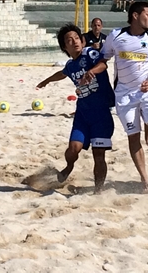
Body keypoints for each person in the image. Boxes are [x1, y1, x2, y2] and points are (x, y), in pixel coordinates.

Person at [36, 24, 115, 193]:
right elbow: (62, 73)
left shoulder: (90, 54)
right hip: (83, 115)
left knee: (99, 155)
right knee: (73, 149)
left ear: (82, 40)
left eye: (77, 38)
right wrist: (47, 80)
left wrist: (91, 71)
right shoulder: (71, 65)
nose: (75, 42)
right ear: (65, 47)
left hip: (101, 114)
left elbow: (104, 65)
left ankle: (98, 190)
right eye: (69, 40)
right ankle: (69, 166)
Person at [100, 1, 148, 192]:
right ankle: (145, 180)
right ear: (135, 15)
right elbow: (104, 58)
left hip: (147, 90)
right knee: (133, 138)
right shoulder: (116, 35)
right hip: (124, 94)